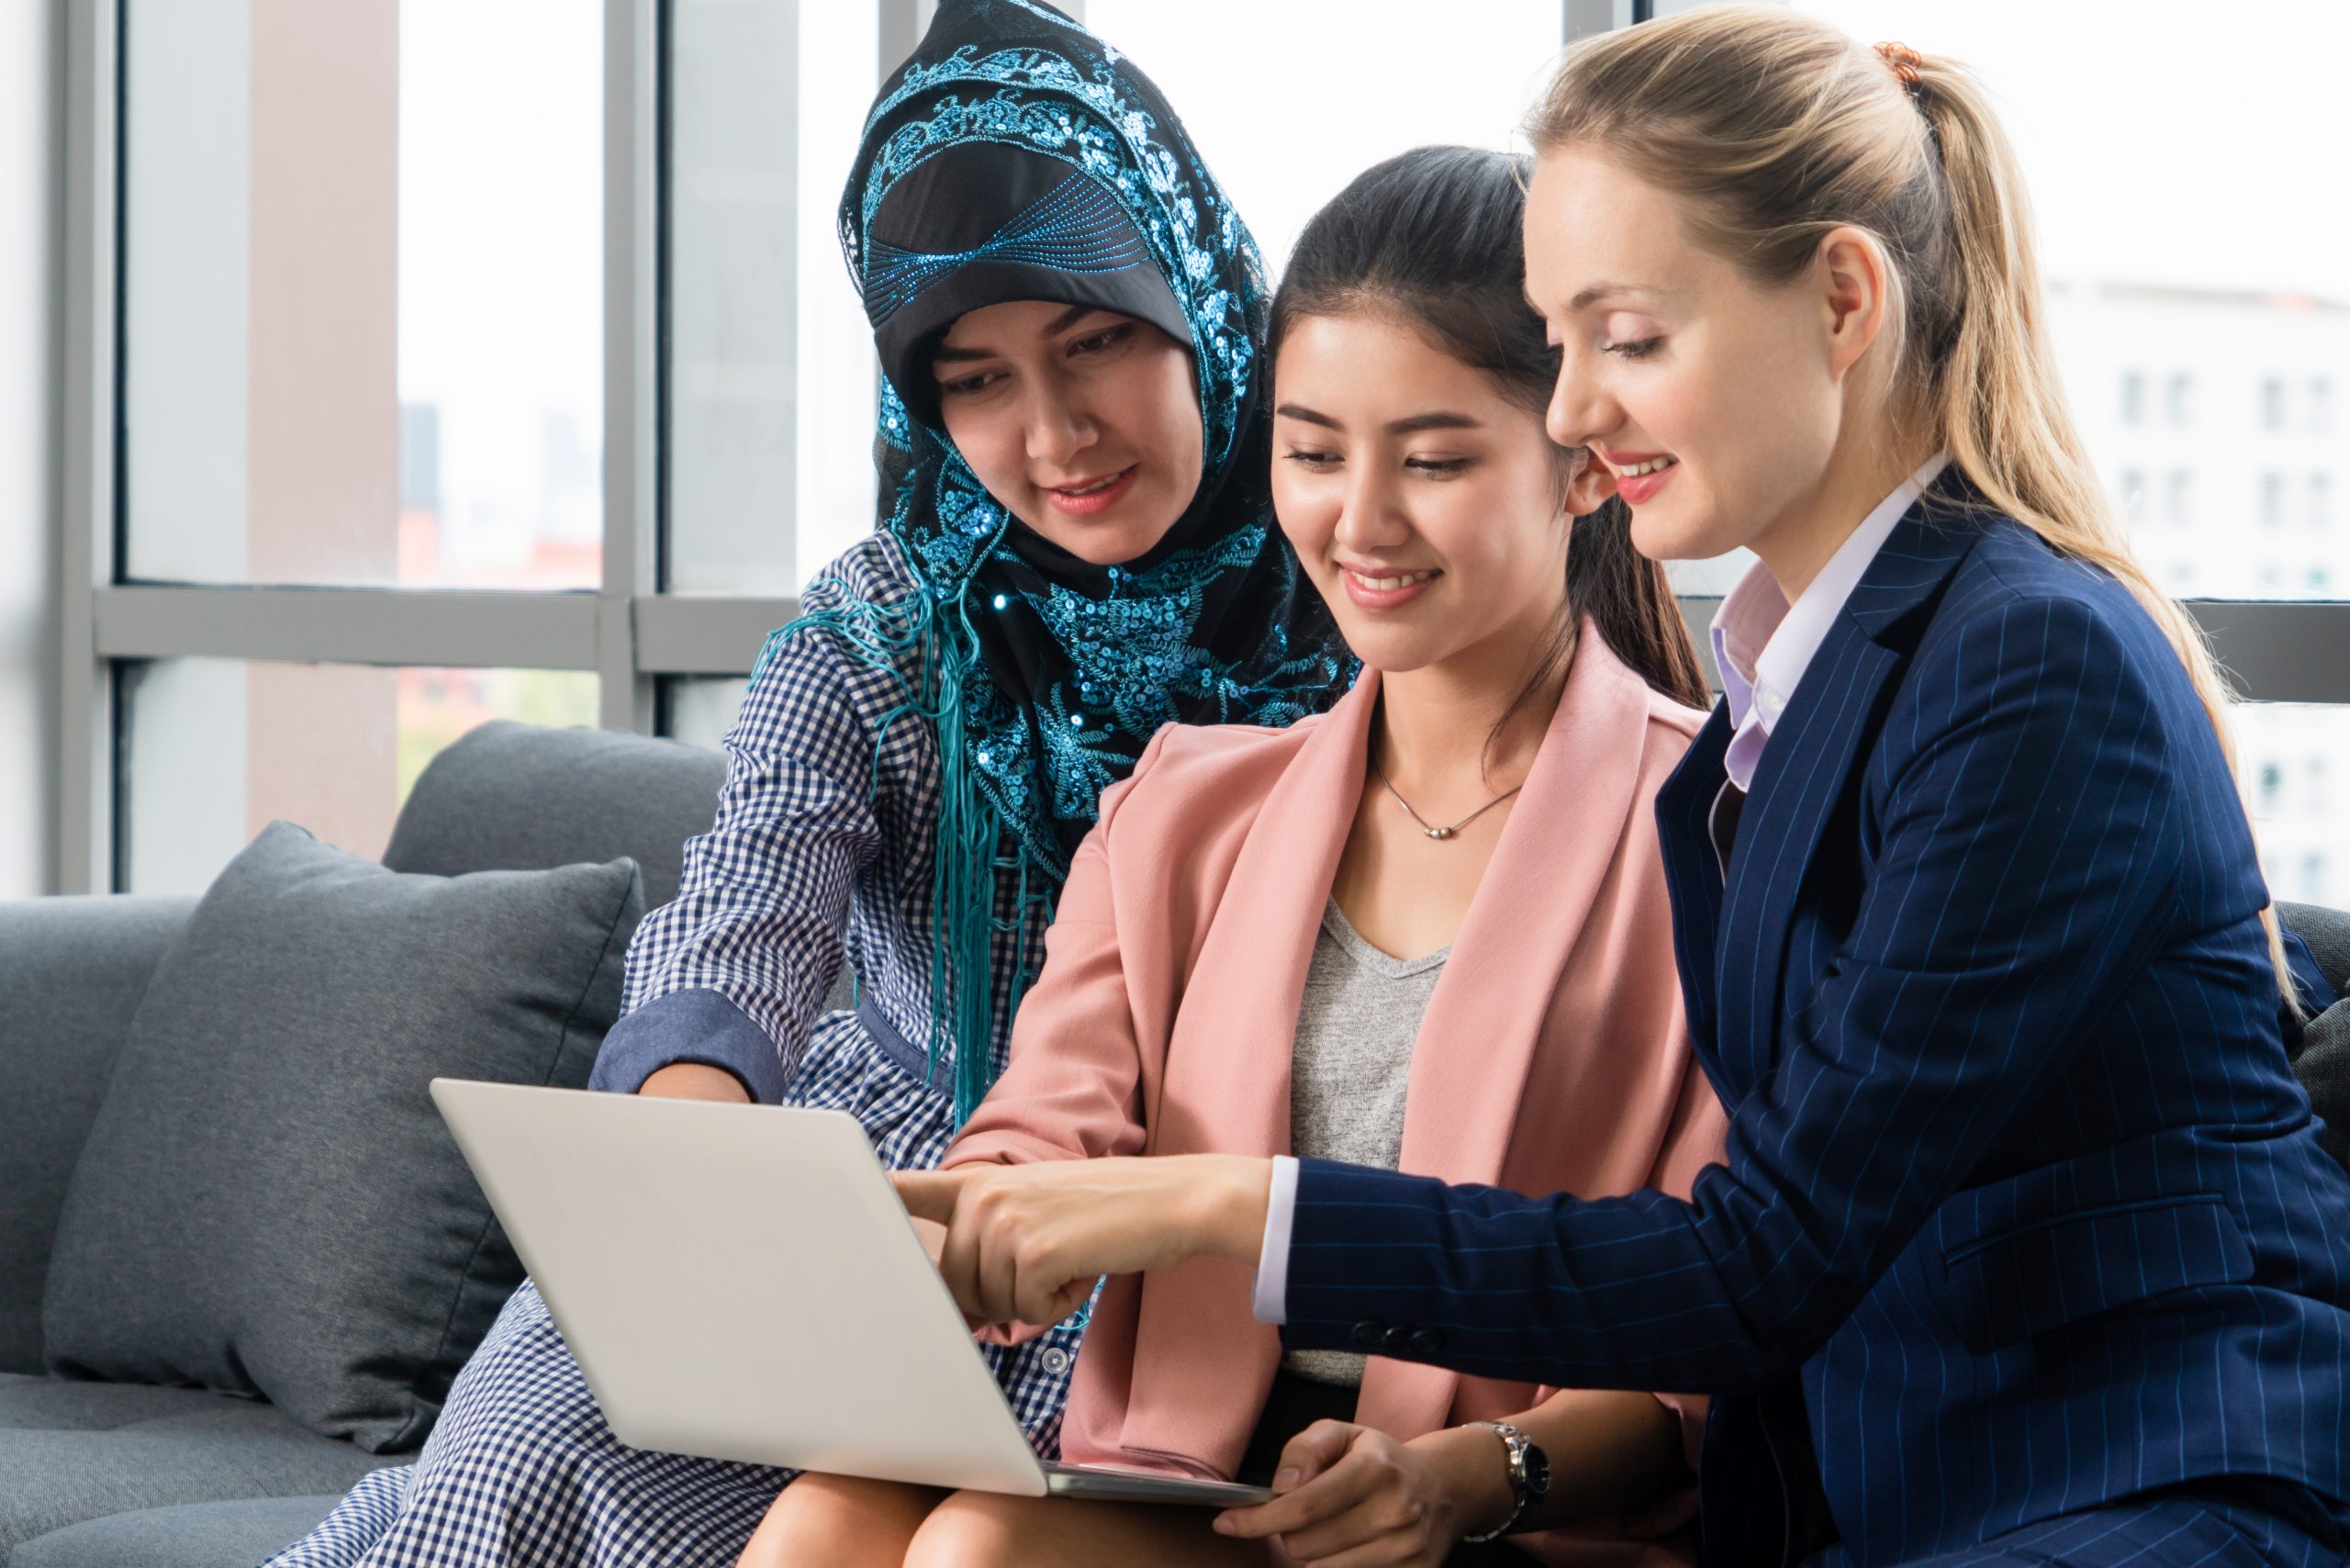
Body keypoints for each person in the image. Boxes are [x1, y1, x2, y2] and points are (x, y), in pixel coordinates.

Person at [892, 9, 2350, 1567]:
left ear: (1845, 300)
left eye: (1630, 340)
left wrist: (1227, 1213)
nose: (1578, 412)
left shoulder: (2027, 664)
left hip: (2145, 1476)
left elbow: (1756, 1264)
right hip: (1922, 1496)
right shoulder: (1787, 709)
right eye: (1562, 344)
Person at [263, 4, 1348, 1565]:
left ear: (1193, 293)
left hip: (1164, 1247)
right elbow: (742, 912)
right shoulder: (886, 626)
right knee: (508, 1474)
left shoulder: (1358, 602)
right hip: (864, 1209)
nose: (1052, 434)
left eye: (1096, 338)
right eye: (974, 378)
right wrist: (698, 1170)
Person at [747, 145, 1729, 1568]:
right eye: (1315, 451)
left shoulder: (1716, 833)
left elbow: (1710, 1334)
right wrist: (947, 1229)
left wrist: (1465, 1472)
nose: (1361, 521)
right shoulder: (1190, 810)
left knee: (981, 1554)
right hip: (1192, 1477)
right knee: (821, 1522)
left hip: (1502, 1508)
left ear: (1584, 464)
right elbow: (1046, 1132)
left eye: (1436, 459)